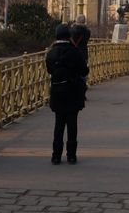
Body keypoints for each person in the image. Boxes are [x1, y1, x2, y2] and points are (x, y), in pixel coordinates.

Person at [46, 24, 89, 164]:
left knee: (58, 124)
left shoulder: (51, 53)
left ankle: (56, 155)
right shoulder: (75, 52)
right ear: (68, 36)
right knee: (72, 124)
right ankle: (71, 155)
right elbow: (84, 71)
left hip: (57, 91)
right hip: (73, 91)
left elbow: (50, 70)